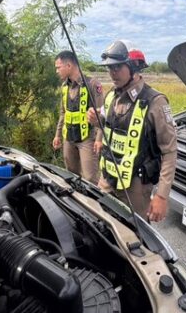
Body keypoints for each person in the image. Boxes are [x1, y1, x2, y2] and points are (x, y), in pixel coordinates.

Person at [87, 40, 177, 222]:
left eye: (118, 67)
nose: (112, 73)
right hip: (107, 178)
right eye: (109, 68)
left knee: (136, 237)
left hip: (135, 187)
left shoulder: (156, 102)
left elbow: (169, 151)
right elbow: (111, 128)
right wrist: (98, 122)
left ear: (133, 67)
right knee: (102, 225)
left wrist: (161, 196)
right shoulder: (111, 95)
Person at [53, 51, 104, 184]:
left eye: (58, 67)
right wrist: (57, 135)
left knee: (90, 178)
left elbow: (101, 114)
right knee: (70, 175)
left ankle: (93, 204)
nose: (56, 71)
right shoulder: (65, 87)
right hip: (68, 138)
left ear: (68, 65)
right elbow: (63, 113)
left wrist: (99, 139)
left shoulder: (92, 84)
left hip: (87, 138)